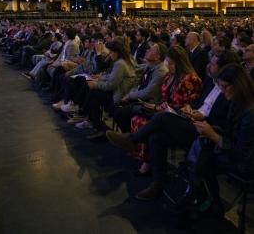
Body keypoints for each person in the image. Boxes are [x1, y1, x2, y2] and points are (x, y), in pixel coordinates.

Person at [105, 50, 241, 201]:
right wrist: (192, 110)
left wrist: (203, 119)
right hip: (196, 121)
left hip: (208, 134)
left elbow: (226, 124)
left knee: (162, 117)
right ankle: (159, 183)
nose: (209, 66)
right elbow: (200, 104)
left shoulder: (230, 90)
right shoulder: (211, 82)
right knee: (156, 136)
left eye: (213, 64)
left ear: (223, 68)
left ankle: (132, 139)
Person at [178, 63, 254, 211]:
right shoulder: (237, 102)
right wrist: (210, 129)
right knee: (203, 145)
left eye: (224, 87)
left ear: (238, 84)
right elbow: (229, 131)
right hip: (236, 151)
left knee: (204, 154)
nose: (222, 91)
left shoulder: (250, 112)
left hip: (247, 164)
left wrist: (213, 135)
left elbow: (242, 155)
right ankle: (201, 199)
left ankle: (197, 197)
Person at [128, 46, 202, 176]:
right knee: (136, 119)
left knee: (144, 124)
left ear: (180, 62)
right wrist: (156, 106)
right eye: (168, 62)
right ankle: (143, 158)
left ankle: (144, 160)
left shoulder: (190, 79)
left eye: (172, 63)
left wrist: (157, 107)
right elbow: (165, 99)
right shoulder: (169, 75)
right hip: (165, 111)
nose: (169, 66)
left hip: (181, 118)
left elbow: (179, 105)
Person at [76, 40, 137, 140]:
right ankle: (96, 129)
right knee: (94, 100)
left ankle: (82, 111)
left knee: (93, 91)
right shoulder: (122, 60)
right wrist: (99, 79)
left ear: (117, 52)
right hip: (117, 91)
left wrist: (96, 84)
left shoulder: (120, 63)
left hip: (119, 95)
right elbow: (110, 76)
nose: (110, 54)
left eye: (111, 52)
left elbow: (111, 85)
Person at [112, 43, 168, 133]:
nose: (147, 50)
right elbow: (137, 83)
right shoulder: (149, 66)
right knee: (113, 107)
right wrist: (130, 94)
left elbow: (148, 92)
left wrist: (130, 96)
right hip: (138, 97)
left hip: (147, 102)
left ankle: (131, 138)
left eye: (151, 50)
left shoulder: (161, 71)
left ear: (157, 57)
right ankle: (129, 135)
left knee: (118, 113)